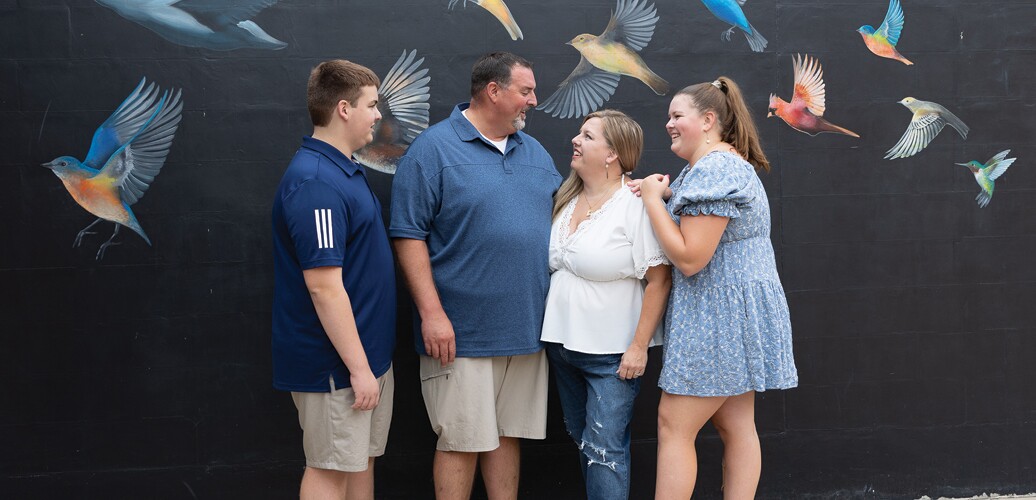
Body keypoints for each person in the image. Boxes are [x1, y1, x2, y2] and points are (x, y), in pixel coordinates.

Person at [389, 52, 563, 500]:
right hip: (459, 335)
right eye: (526, 91)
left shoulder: (535, 152)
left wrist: (631, 191)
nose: (534, 101)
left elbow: (572, 209)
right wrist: (432, 314)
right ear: (493, 91)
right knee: (462, 441)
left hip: (526, 332)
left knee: (507, 437)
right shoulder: (433, 149)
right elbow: (408, 236)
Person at [634, 77, 798, 499]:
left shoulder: (715, 169)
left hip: (717, 317)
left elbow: (690, 258)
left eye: (676, 116)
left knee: (673, 423)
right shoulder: (713, 168)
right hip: (734, 313)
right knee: (736, 424)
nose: (667, 123)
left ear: (708, 120)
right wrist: (667, 193)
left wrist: (654, 201)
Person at [271, 59, 396, 500]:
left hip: (364, 361)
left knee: (358, 462)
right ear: (344, 109)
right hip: (336, 367)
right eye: (372, 105)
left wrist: (370, 367)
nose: (378, 115)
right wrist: (359, 370)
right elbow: (323, 286)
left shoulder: (342, 168)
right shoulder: (316, 181)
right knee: (330, 470)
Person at [540, 109, 671, 500]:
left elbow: (659, 280)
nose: (575, 141)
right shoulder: (566, 199)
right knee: (585, 444)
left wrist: (638, 347)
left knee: (605, 452)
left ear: (613, 153)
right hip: (562, 346)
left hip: (612, 355)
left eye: (587, 136)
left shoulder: (634, 205)